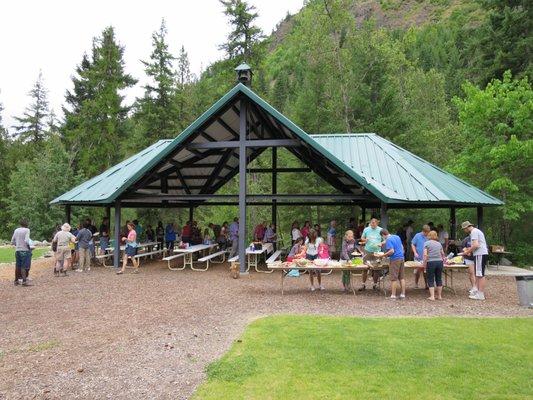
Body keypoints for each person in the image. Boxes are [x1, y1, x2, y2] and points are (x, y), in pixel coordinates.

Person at [461, 221, 489, 300]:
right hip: (479, 253)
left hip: (480, 254)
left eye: (464, 229)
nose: (464, 231)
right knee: (478, 274)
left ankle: (480, 294)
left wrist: (467, 252)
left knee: (480, 274)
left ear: (467, 227)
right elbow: (476, 245)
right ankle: (478, 292)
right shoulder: (476, 231)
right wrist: (471, 251)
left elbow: (476, 245)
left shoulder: (473, 232)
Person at [376, 229, 406, 300]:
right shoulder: (396, 237)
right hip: (401, 258)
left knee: (394, 278)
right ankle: (403, 294)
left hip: (395, 259)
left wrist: (382, 255)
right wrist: (382, 243)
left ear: (383, 235)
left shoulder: (388, 240)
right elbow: (402, 247)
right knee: (401, 277)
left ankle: (393, 296)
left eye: (382, 237)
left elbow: (391, 251)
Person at [359, 218, 383, 291]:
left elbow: (385, 239)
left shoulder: (381, 230)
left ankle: (375, 285)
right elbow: (362, 238)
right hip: (367, 251)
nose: (373, 224)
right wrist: (364, 240)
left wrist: (381, 243)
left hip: (377, 252)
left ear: (377, 223)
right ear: (370, 223)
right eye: (371, 223)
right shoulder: (366, 229)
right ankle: (363, 285)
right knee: (365, 268)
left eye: (374, 223)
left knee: (376, 269)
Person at [423, 230, 445, 301]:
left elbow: (425, 255)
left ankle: (432, 296)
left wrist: (424, 264)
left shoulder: (426, 243)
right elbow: (443, 254)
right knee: (439, 278)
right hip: (439, 262)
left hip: (431, 262)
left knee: (430, 279)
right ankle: (439, 296)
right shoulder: (439, 244)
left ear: (429, 236)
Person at [11, 219, 33, 286]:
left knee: (18, 266)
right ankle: (24, 281)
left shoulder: (16, 230)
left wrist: (17, 244)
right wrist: (29, 247)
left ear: (20, 224)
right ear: (26, 224)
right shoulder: (27, 230)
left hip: (17, 250)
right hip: (25, 250)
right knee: (24, 266)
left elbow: (12, 241)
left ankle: (16, 281)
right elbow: (26, 240)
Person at [411, 225, 430, 289]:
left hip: (426, 257)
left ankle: (426, 285)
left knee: (426, 272)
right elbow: (413, 244)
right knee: (417, 271)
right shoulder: (417, 235)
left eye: (428, 232)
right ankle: (416, 284)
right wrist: (415, 252)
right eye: (427, 232)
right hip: (418, 257)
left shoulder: (429, 236)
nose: (427, 234)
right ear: (423, 231)